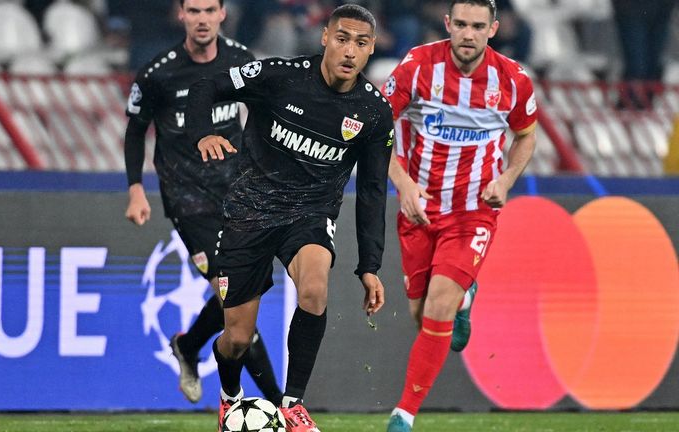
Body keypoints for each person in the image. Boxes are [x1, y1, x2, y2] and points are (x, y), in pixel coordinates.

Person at [185, 4, 394, 431]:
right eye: (341, 39)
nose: (349, 51)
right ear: (324, 38)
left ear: (371, 48)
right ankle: (230, 397)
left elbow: (372, 192)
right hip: (249, 212)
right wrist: (202, 132)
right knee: (238, 340)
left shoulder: (373, 113)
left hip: (310, 214)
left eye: (360, 42)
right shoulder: (280, 76)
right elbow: (206, 84)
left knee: (314, 289)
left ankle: (292, 403)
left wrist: (369, 265)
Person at [381, 1, 537, 431]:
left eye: (478, 26)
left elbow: (526, 135)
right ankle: (466, 297)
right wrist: (404, 184)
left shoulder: (513, 79)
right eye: (462, 25)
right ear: (448, 24)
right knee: (422, 317)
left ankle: (403, 416)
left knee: (438, 308)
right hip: (419, 211)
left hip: (474, 214)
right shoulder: (416, 67)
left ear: (494, 29)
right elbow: (375, 130)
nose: (468, 34)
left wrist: (505, 181)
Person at [123, 0, 282, 407]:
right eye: (193, 10)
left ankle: (189, 346)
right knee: (235, 298)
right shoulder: (160, 73)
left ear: (223, 14)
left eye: (209, 9)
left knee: (242, 293)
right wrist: (135, 188)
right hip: (187, 198)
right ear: (181, 15)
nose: (202, 19)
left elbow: (264, 116)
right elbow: (135, 130)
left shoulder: (240, 61)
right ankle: (281, 405)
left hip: (236, 192)